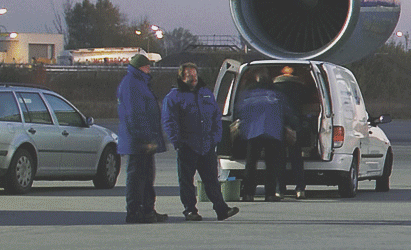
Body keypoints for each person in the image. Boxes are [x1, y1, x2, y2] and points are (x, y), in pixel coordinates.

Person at [162, 62, 238, 221]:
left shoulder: (206, 94)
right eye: (190, 76)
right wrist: (177, 142)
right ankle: (190, 210)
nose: (194, 79)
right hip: (187, 146)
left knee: (212, 180)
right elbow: (169, 121)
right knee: (186, 182)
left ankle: (221, 209)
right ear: (182, 77)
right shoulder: (173, 97)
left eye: (195, 75)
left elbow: (216, 117)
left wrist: (215, 138)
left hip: (207, 146)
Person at [115, 53, 168, 223]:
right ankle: (135, 211)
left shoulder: (138, 83)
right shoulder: (133, 84)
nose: (150, 68)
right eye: (147, 65)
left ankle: (147, 210)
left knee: (146, 176)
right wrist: (145, 139)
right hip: (137, 141)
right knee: (137, 177)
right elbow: (135, 114)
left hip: (141, 140)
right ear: (141, 67)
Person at [236, 78, 292, 201]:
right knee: (271, 165)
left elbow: (240, 110)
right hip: (273, 132)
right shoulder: (277, 94)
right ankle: (270, 194)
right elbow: (286, 112)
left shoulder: (248, 95)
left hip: (253, 132)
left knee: (251, 164)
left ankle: (248, 194)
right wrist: (291, 127)